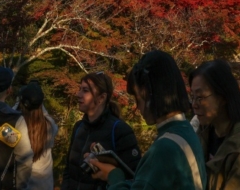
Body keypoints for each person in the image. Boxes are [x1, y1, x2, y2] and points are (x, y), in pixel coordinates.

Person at [87, 50, 207, 190]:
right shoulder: (186, 131)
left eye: (137, 97)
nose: (138, 107)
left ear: (148, 92)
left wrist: (115, 176)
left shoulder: (165, 148)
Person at [189, 60, 240, 190]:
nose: (194, 104)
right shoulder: (204, 133)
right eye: (192, 96)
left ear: (223, 96)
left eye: (200, 97)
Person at [61, 71, 141, 190]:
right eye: (80, 89)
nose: (78, 94)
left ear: (101, 98)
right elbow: (68, 169)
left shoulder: (120, 130)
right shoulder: (78, 127)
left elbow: (134, 177)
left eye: (85, 90)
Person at [19, 81, 59, 190]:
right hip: (44, 186)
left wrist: (18, 101)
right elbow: (45, 114)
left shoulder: (17, 126)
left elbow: (11, 112)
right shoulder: (50, 126)